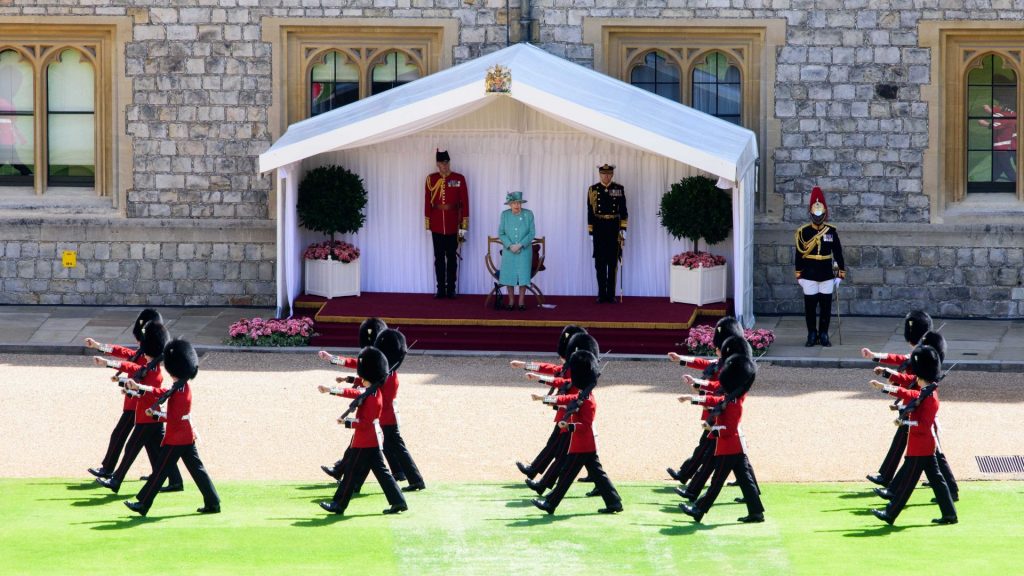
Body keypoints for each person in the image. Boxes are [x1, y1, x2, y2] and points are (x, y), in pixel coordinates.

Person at [124, 339, 221, 516]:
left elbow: (174, 417)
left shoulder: (182, 390)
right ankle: (213, 502)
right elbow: (162, 392)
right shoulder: (181, 386)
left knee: (160, 471)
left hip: (177, 437)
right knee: (196, 470)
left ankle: (143, 503)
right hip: (183, 436)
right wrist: (141, 387)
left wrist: (156, 415)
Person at [869, 345, 958, 526]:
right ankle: (949, 514)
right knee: (937, 481)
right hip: (922, 446)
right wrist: (884, 388)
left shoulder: (930, 397)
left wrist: (904, 422)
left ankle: (890, 513)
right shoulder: (926, 391)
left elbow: (923, 425)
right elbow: (907, 393)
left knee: (906, 485)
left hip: (921, 446)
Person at [530, 349, 623, 515]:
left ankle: (550, 503)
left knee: (566, 475)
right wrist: (543, 398)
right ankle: (614, 501)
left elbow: (585, 425)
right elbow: (565, 399)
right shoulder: (582, 396)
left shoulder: (589, 402)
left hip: (582, 444)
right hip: (584, 444)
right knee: (597, 474)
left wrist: (569, 425)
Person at [319, 346, 408, 515]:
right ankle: (398, 501)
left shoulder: (374, 397)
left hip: (365, 440)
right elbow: (352, 392)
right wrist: (330, 390)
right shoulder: (371, 392)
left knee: (351, 473)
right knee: (383, 474)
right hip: (370, 440)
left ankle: (338, 504)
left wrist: (346, 422)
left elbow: (365, 422)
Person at [84, 308, 162, 480]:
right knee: (152, 442)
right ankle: (166, 476)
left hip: (137, 402)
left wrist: (108, 363)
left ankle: (107, 468)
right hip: (134, 401)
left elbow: (130, 364)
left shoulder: (148, 355)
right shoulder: (145, 350)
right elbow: (123, 352)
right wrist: (98, 346)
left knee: (120, 434)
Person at [794, 186, 845, 347]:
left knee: (825, 308)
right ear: (810, 214)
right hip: (809, 274)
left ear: (824, 214)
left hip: (826, 274)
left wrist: (840, 274)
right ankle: (811, 333)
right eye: (815, 215)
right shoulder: (803, 232)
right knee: (810, 308)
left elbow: (838, 253)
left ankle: (823, 334)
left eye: (820, 215)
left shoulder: (831, 231)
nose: (818, 218)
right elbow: (799, 254)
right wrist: (799, 275)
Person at [424, 149, 469, 299]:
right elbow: (427, 202)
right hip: (436, 225)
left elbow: (465, 203)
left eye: (446, 162)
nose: (444, 166)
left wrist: (463, 227)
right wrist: (428, 223)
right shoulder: (431, 179)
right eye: (441, 163)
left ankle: (451, 288)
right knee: (438, 258)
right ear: (437, 164)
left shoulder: (459, 178)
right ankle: (440, 289)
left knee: (451, 257)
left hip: (453, 225)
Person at [587, 163, 627, 303]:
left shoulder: (617, 189)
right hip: (598, 227)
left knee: (612, 262)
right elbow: (590, 212)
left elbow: (623, 211)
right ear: (599, 174)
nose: (606, 176)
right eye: (603, 174)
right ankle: (601, 294)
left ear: (612, 174)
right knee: (600, 263)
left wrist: (623, 230)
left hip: (613, 228)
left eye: (609, 174)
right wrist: (590, 232)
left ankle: (611, 294)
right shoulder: (593, 189)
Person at [497, 191, 535, 311]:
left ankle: (521, 301)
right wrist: (510, 245)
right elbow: (501, 233)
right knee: (509, 275)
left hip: (524, 250)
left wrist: (520, 245)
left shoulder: (529, 214)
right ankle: (511, 301)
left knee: (523, 276)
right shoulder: (504, 215)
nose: (516, 205)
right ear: (509, 204)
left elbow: (532, 233)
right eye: (513, 203)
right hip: (509, 251)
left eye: (518, 203)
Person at [977, 102, 1017, 183]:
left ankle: (1014, 179)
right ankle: (995, 176)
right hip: (1009, 145)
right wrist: (989, 110)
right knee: (999, 164)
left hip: (1003, 146)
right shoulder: (1010, 112)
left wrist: (984, 123)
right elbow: (997, 114)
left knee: (1005, 165)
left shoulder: (1007, 115)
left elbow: (996, 124)